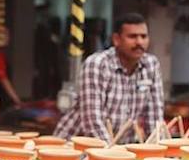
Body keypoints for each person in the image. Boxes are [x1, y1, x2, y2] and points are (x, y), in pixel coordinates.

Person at [54, 13, 164, 142]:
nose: (139, 42)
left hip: (118, 150)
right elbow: (92, 122)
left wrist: (159, 152)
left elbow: (155, 119)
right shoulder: (97, 64)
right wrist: (112, 155)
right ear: (116, 39)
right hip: (75, 146)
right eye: (132, 37)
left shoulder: (151, 64)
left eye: (143, 36)